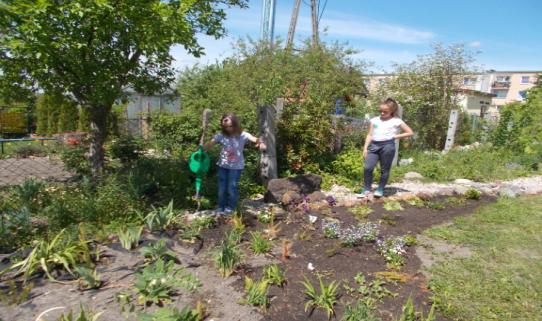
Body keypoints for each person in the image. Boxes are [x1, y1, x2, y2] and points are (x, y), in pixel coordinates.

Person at [204, 113, 266, 215]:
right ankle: (221, 207)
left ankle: (230, 208)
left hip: (236, 167)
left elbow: (255, 139)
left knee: (231, 187)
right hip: (222, 166)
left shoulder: (243, 135)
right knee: (222, 187)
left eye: (230, 126)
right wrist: (202, 148)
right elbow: (210, 144)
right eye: (226, 127)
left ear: (236, 124)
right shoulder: (221, 135)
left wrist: (261, 143)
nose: (228, 129)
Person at [358, 98, 413, 198]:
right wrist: (365, 148)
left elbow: (410, 132)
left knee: (385, 169)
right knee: (368, 167)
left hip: (388, 146)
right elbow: (370, 134)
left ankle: (380, 189)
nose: (382, 113)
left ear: (392, 111)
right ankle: (366, 189)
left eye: (385, 112)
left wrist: (395, 137)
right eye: (381, 111)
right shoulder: (374, 120)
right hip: (374, 146)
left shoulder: (396, 121)